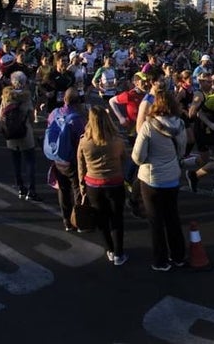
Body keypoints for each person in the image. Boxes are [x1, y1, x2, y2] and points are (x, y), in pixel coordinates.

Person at [132, 89, 188, 271]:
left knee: (156, 221)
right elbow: (182, 151)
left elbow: (137, 157)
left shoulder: (148, 126)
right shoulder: (180, 124)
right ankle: (178, 255)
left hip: (152, 178)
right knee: (173, 217)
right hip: (172, 177)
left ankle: (161, 260)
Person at [78, 105, 129, 266]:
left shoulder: (84, 141)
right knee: (117, 218)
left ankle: (110, 249)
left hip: (93, 184)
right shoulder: (117, 140)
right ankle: (119, 253)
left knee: (102, 219)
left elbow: (81, 166)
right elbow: (124, 158)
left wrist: (82, 187)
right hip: (114, 182)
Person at [44, 88, 87, 231]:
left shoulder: (54, 113)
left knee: (62, 189)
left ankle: (66, 220)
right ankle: (79, 220)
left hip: (58, 157)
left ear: (64, 99)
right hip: (72, 159)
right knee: (77, 189)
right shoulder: (77, 119)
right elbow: (82, 138)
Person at [0, 71, 40, 200]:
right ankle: (31, 190)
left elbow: (0, 116)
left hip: (11, 133)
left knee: (16, 162)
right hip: (25, 133)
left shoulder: (6, 97)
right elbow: (32, 117)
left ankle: (20, 188)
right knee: (30, 162)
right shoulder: (26, 98)